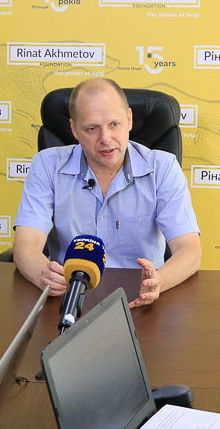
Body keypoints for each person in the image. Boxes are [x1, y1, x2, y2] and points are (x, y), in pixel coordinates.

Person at [13, 78, 201, 308]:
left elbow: (189, 250)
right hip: (68, 297)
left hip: (138, 299)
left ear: (129, 120)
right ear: (74, 129)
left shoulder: (163, 168)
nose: (105, 139)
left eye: (114, 124)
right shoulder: (47, 165)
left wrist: (159, 281)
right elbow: (26, 245)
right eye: (92, 128)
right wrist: (42, 273)